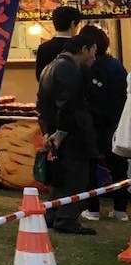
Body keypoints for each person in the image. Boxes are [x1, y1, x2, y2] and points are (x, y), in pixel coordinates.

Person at [36, 26, 101, 234]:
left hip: (57, 132)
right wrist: (61, 132)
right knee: (75, 177)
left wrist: (47, 131)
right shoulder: (68, 68)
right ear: (83, 49)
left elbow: (42, 104)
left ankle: (53, 215)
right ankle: (66, 219)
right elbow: (68, 103)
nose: (94, 57)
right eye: (93, 51)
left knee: (61, 176)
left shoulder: (50, 67)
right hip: (72, 134)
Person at [83, 26, 128, 222]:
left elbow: (88, 99)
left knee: (91, 168)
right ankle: (120, 210)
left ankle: (93, 209)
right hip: (117, 124)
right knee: (118, 168)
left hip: (94, 125)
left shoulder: (89, 67)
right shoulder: (117, 65)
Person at [34, 5, 82, 81]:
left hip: (49, 92)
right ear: (72, 24)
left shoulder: (43, 48)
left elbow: (39, 76)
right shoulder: (80, 47)